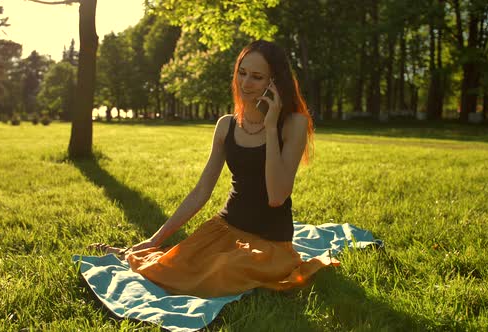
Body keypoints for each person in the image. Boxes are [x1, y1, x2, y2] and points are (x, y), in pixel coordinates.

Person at [88, 40, 334, 298]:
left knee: (221, 270)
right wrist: (155, 240)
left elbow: (276, 196)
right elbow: (201, 191)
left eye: (257, 77)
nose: (245, 83)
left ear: (274, 82)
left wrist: (271, 127)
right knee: (173, 265)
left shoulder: (293, 124)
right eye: (242, 73)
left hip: (270, 242)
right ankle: (135, 253)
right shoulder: (226, 125)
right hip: (225, 229)